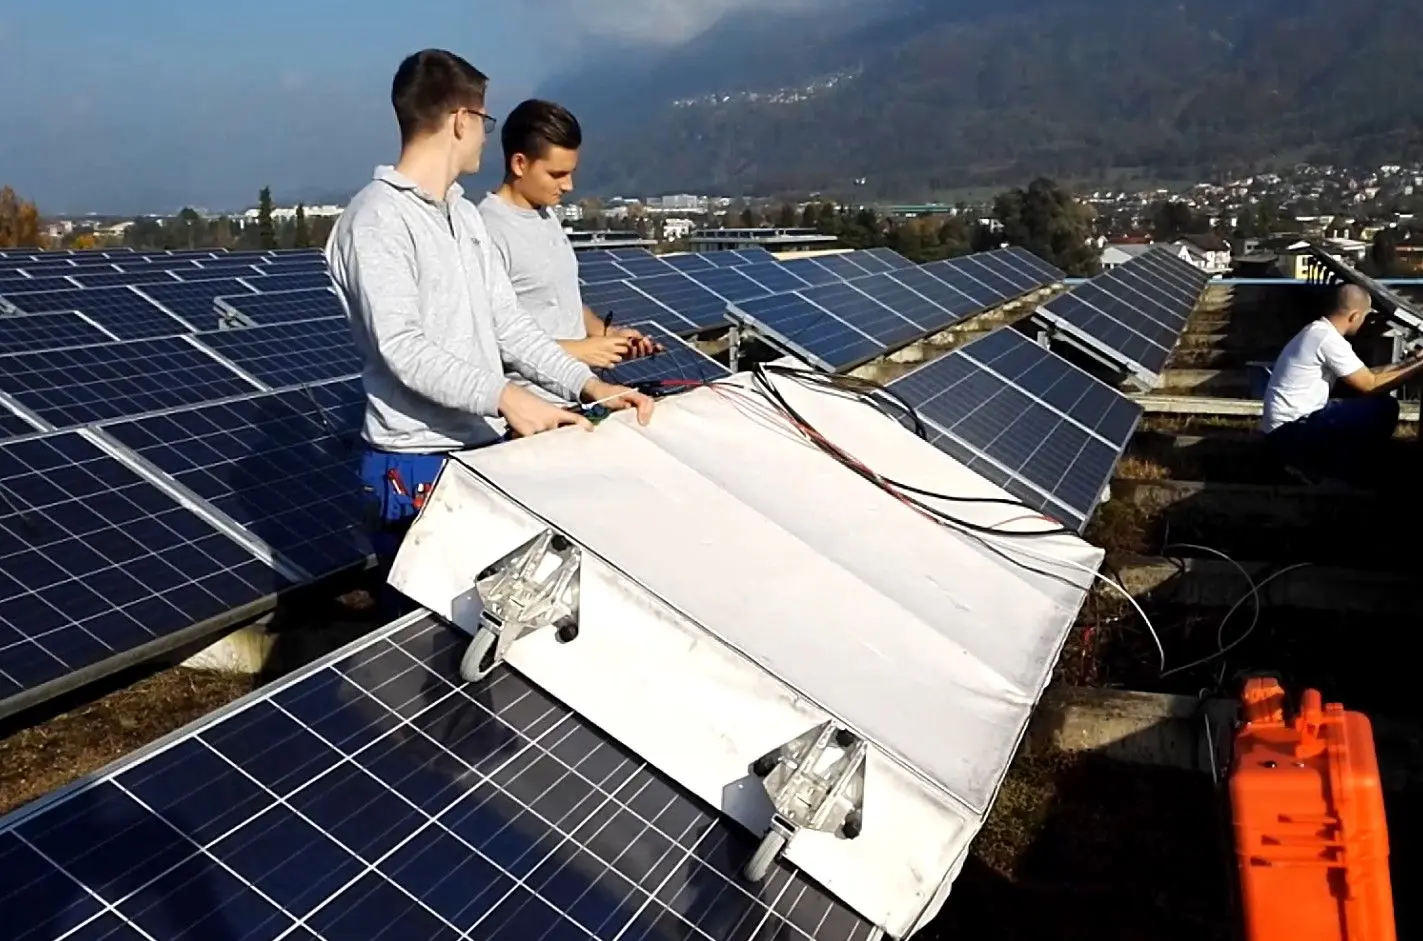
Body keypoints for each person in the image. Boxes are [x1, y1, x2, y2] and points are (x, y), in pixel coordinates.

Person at [326, 50, 654, 593]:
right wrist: (510, 398)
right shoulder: (378, 220)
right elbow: (403, 349)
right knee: (426, 643)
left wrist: (591, 386)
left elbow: (510, 326)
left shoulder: (460, 215)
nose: (485, 136)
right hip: (416, 466)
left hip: (482, 449)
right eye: (484, 120)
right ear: (460, 120)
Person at [477, 98, 660, 400]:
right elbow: (492, 340)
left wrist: (604, 336)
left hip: (575, 394)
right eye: (557, 174)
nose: (569, 186)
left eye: (571, 172)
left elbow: (562, 299)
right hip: (531, 408)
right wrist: (582, 351)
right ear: (519, 164)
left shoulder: (547, 215)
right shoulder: (487, 230)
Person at [1260, 283, 1423, 483]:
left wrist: (1411, 362)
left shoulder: (1318, 332)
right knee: (1383, 408)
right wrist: (1417, 367)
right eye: (1364, 317)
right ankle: (1337, 472)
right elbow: (1369, 384)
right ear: (1354, 316)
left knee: (1363, 407)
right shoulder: (1327, 340)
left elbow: (1366, 374)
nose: (1364, 323)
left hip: (1286, 428)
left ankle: (1325, 465)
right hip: (1291, 432)